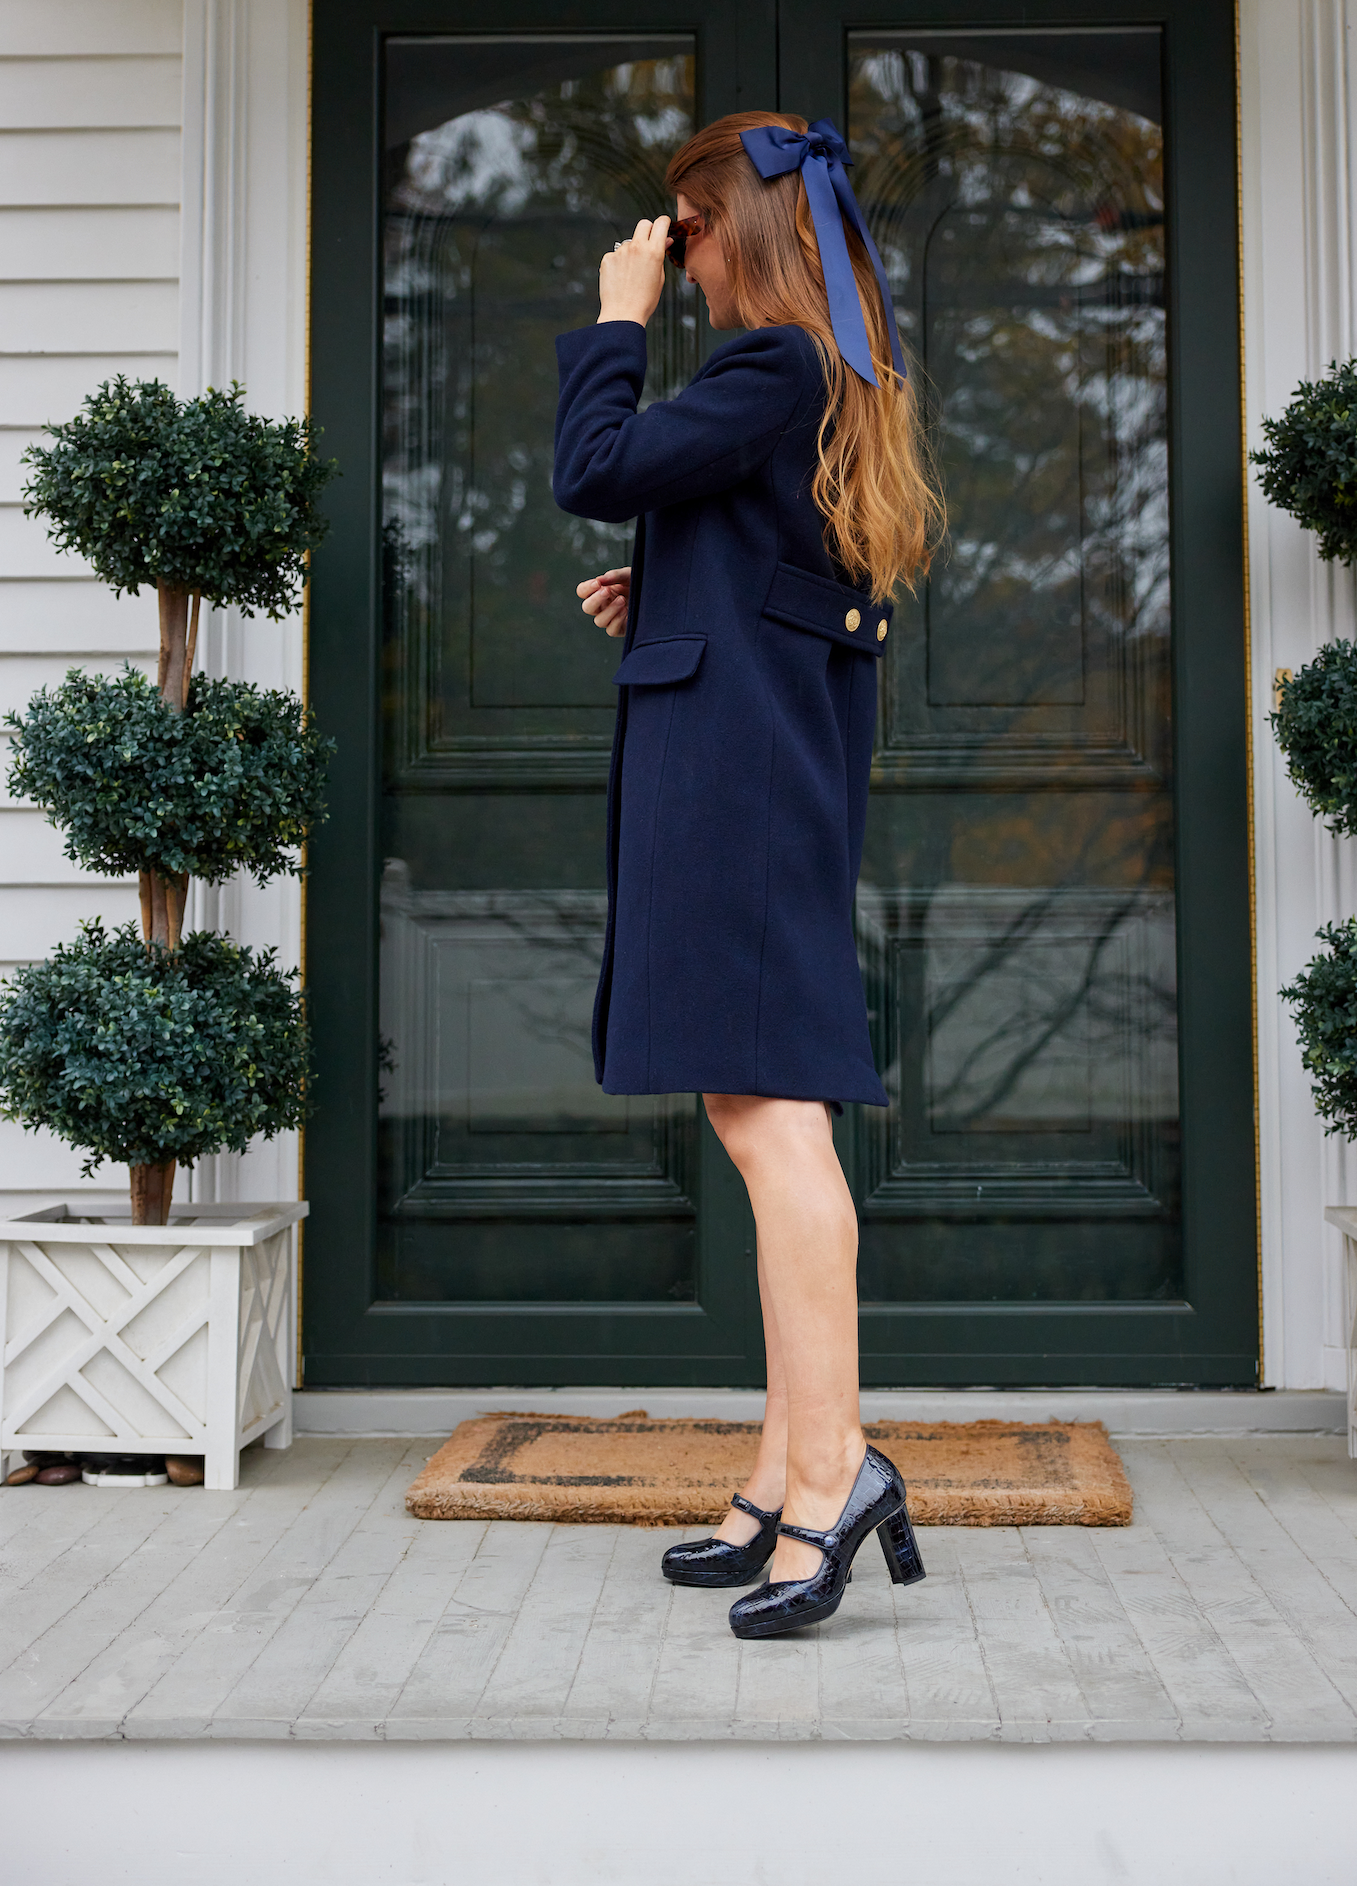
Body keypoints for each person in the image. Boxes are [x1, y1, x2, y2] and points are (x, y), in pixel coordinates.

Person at [553, 112, 942, 1638]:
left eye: (683, 226)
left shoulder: (772, 363)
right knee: (753, 1100)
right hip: (744, 757)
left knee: (775, 1117)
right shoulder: (810, 377)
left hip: (743, 779)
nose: (672, 249)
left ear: (737, 232)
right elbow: (789, 560)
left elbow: (596, 461)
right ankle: (788, 1466)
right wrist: (667, 585)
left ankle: (835, 1470)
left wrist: (614, 314)